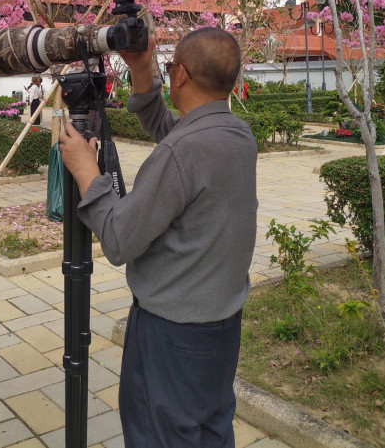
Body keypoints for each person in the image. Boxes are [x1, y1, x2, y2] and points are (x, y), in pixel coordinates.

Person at [59, 28, 258, 447]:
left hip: (171, 337)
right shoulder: (238, 135)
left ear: (181, 74)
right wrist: (143, 71)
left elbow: (118, 239)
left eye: (169, 70)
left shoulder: (180, 153)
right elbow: (174, 131)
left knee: (160, 436)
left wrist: (85, 171)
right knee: (209, 430)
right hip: (219, 328)